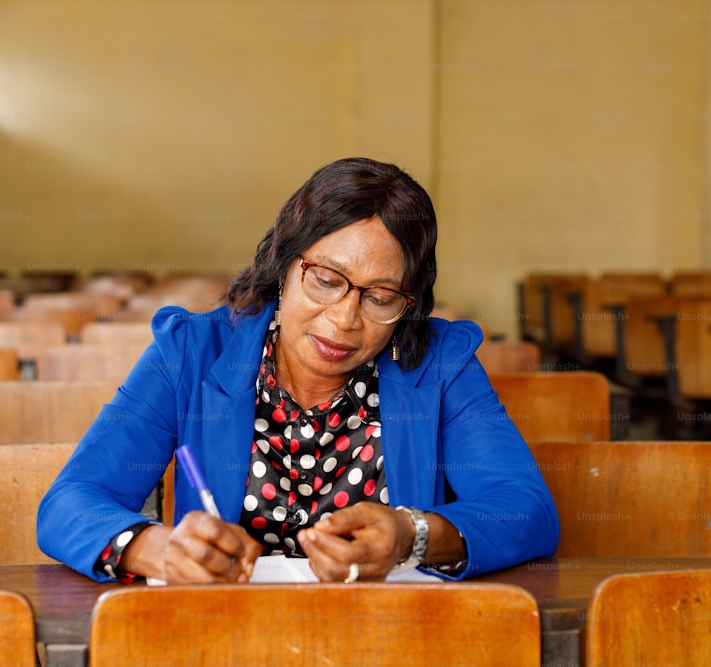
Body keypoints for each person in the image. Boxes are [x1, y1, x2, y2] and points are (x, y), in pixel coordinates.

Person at [37, 157, 559, 584]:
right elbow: (70, 502)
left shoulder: (439, 366)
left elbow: (525, 510)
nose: (344, 319)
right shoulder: (192, 352)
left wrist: (411, 534)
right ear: (284, 265)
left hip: (389, 640)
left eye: (380, 297)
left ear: (410, 302)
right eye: (327, 280)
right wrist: (154, 548)